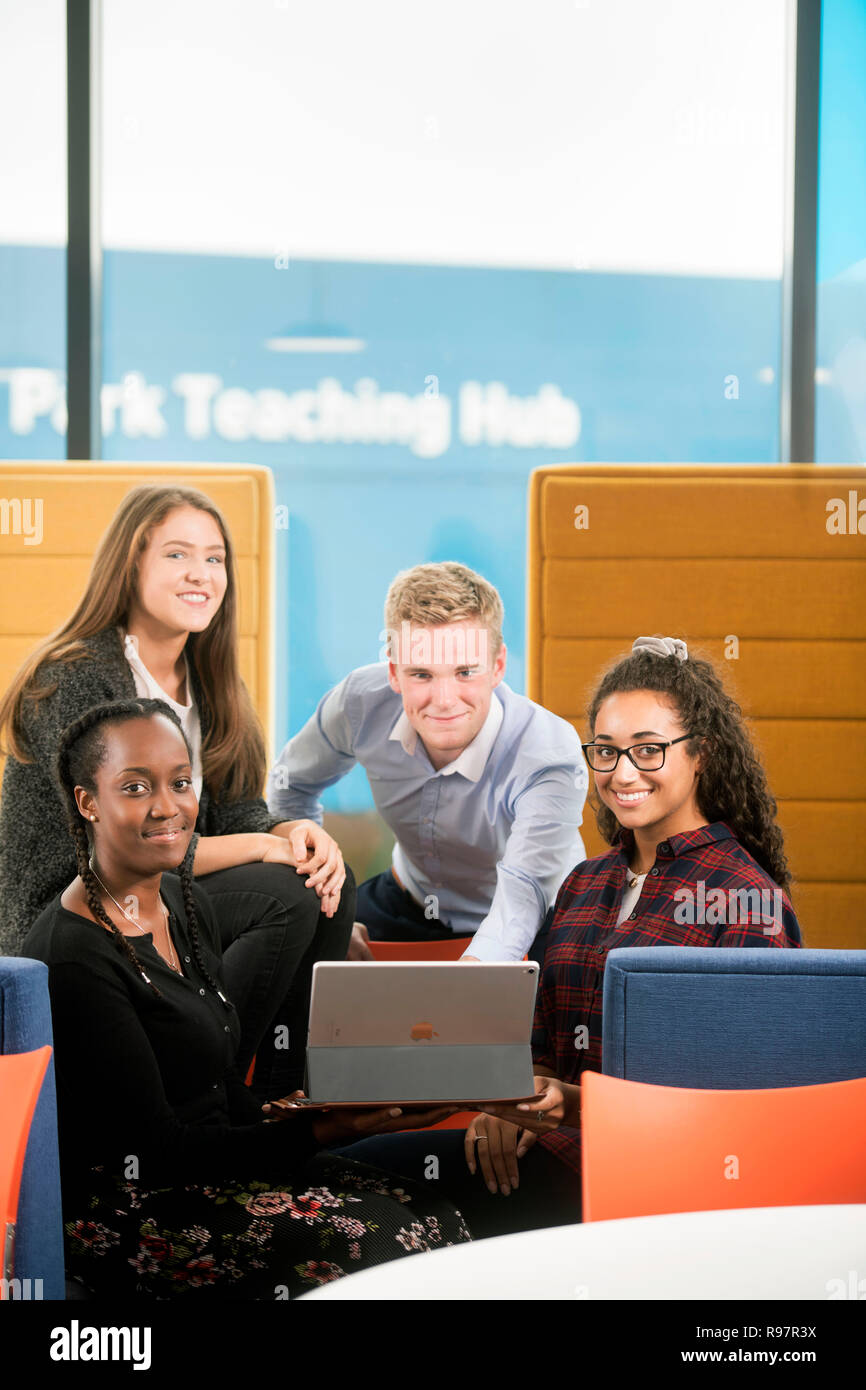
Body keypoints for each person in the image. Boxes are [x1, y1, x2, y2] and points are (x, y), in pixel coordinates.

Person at [337, 636, 803, 1237]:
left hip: (653, 1190)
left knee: (347, 1199)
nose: (622, 773)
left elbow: (733, 1099)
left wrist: (572, 1104)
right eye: (605, 752)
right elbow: (535, 1034)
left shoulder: (745, 897)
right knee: (330, 1176)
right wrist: (504, 1107)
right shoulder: (584, 881)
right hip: (535, 1157)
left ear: (702, 754)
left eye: (649, 750)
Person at [22, 698, 470, 1299]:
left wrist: (305, 1114)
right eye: (135, 788)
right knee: (386, 1239)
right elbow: (158, 1152)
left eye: (180, 783)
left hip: (210, 1164)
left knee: (434, 1216)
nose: (167, 806)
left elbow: (217, 1082)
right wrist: (322, 1133)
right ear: (87, 802)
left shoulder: (182, 903)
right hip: (125, 1205)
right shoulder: (76, 955)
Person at [0, 483, 351, 1097]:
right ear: (131, 564)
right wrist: (260, 850)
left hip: (161, 889)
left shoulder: (212, 683)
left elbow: (240, 810)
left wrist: (288, 833)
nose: (201, 574)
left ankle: (281, 1099)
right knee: (284, 894)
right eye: (177, 555)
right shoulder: (81, 675)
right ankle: (201, 1090)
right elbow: (123, 844)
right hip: (74, 901)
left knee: (324, 887)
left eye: (214, 558)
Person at [268, 562, 588, 964]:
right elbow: (290, 787)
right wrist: (321, 909)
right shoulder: (358, 702)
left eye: (465, 672)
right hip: (408, 899)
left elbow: (524, 891)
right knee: (298, 961)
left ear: (498, 667)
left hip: (539, 916)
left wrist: (467, 977)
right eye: (421, 674)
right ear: (393, 673)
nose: (444, 700)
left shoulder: (548, 751)